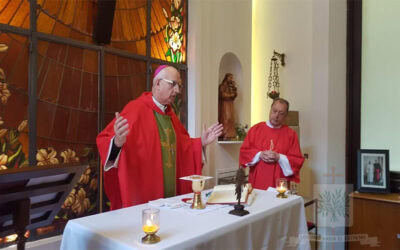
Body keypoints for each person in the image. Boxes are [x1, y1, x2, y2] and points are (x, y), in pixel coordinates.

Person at [97, 65, 223, 210]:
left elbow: (184, 148)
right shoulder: (135, 109)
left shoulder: (170, 116)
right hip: (143, 198)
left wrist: (201, 142)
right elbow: (104, 140)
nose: (176, 91)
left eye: (179, 86)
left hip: (171, 201)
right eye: (173, 84)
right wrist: (117, 143)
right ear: (157, 83)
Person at [239, 98, 304, 190]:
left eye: (281, 113)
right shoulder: (255, 129)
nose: (276, 116)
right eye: (274, 111)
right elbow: (244, 152)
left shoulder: (291, 134)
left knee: (279, 203)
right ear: (270, 110)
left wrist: (279, 157)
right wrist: (260, 154)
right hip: (257, 181)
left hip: (280, 183)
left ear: (286, 116)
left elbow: (296, 160)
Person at [218, 73, 237, 140]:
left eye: (232, 78)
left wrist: (234, 88)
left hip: (230, 104)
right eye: (230, 77)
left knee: (231, 118)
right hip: (225, 104)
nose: (231, 79)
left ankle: (230, 134)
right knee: (226, 118)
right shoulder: (222, 86)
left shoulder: (231, 86)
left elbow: (235, 95)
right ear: (227, 78)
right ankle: (224, 133)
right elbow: (222, 94)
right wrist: (229, 96)